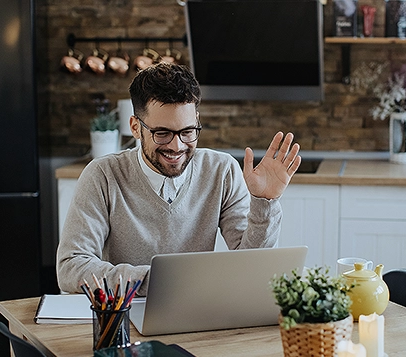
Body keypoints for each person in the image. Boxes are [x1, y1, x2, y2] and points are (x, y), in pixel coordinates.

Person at [56, 62, 301, 295]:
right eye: (162, 133)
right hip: (126, 314)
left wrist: (264, 202)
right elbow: (71, 266)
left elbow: (250, 264)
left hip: (197, 312)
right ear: (135, 127)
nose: (177, 146)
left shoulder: (221, 170)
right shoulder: (103, 175)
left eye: (187, 132)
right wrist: (157, 281)